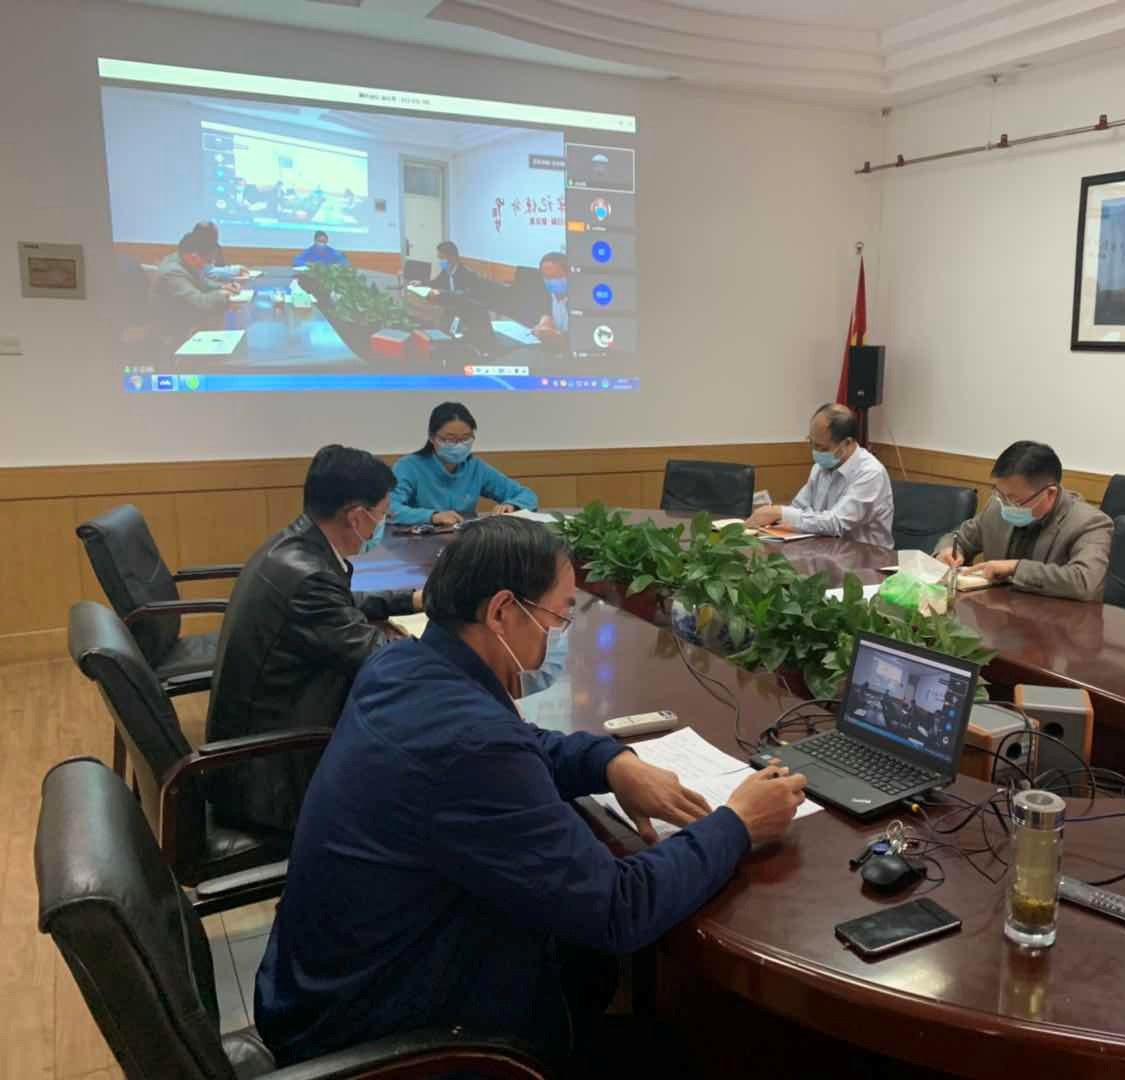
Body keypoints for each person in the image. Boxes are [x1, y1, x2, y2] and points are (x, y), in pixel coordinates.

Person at [253, 517, 808, 1071]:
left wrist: (611, 763)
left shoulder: (402, 664)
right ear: (501, 611)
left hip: (323, 983)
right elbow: (619, 908)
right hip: (387, 1030)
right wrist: (738, 823)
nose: (558, 634)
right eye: (557, 616)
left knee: (590, 965)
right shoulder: (471, 743)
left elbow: (521, 744)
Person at [205, 445, 422, 834]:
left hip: (258, 747)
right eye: (382, 515)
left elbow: (340, 606)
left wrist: (413, 600)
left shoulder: (293, 547)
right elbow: (381, 660)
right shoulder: (310, 578)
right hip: (271, 782)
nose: (382, 524)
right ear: (356, 516)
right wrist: (454, 645)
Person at [934, 440, 1113, 602]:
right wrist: (948, 550)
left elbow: (1085, 582)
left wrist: (1016, 568)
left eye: (1015, 500)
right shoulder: (997, 507)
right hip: (998, 617)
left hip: (1055, 622)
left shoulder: (1090, 523)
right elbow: (959, 538)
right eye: (1000, 494)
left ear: (1050, 493)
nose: (1005, 504)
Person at [748, 403, 894, 549]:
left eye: (821, 447)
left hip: (866, 557)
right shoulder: (821, 466)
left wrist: (780, 512)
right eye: (811, 442)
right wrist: (772, 517)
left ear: (847, 443)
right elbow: (799, 507)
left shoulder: (871, 473)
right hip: (825, 551)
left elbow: (836, 523)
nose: (815, 451)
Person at [391, 402, 539, 526]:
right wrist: (432, 516)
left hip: (464, 542)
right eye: (450, 439)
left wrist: (512, 505)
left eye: (465, 438)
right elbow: (390, 508)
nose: (458, 445)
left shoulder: (476, 467)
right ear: (432, 437)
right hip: (417, 542)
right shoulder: (408, 467)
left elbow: (527, 495)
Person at [151, 227, 239, 326]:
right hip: (173, 328)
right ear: (194, 257)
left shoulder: (184, 259)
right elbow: (200, 303)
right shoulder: (173, 272)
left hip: (186, 319)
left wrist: (223, 286)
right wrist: (223, 294)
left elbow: (202, 282)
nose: (208, 265)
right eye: (208, 261)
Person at [531, 251, 570, 340]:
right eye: (546, 277)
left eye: (555, 276)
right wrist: (542, 326)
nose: (551, 281)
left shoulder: (581, 301)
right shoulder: (547, 297)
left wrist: (557, 335)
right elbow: (545, 316)